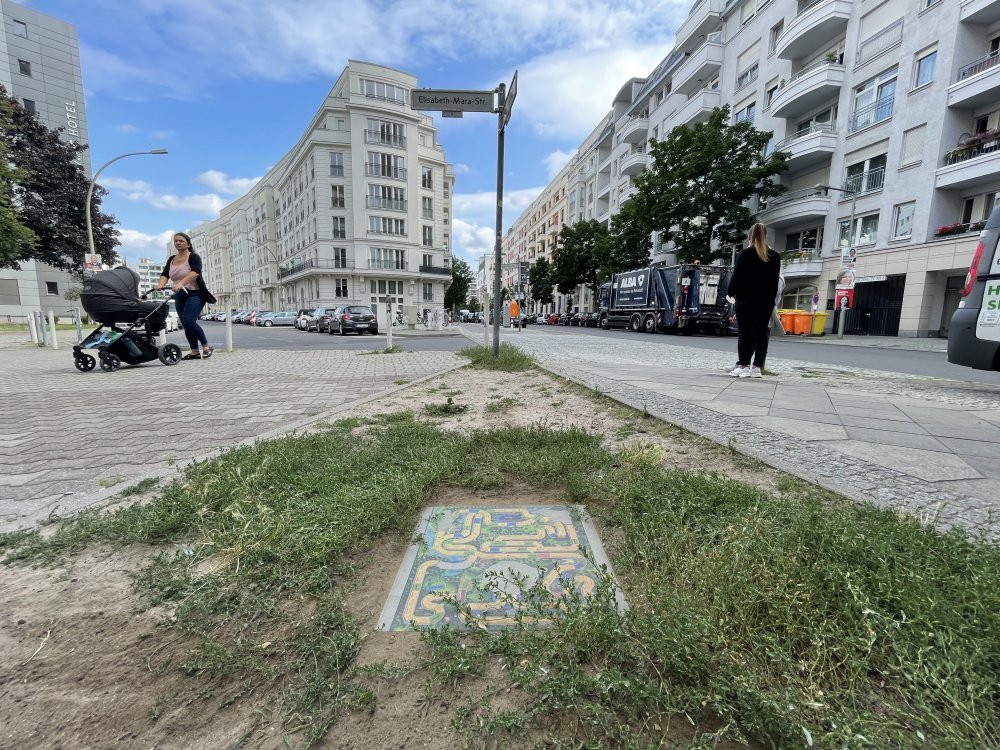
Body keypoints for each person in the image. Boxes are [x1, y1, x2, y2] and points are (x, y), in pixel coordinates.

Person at [726, 222, 781, 378]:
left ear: (750, 236)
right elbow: (774, 282)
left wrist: (731, 293)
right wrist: (771, 298)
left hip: (746, 300)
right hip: (766, 301)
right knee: (761, 333)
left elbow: (736, 278)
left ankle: (743, 366)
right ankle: (756, 368)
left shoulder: (745, 254)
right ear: (765, 236)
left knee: (745, 333)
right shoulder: (775, 256)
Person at [155, 232, 216, 360]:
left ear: (188, 244)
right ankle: (194, 351)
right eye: (176, 241)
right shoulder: (171, 259)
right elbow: (165, 274)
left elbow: (195, 273)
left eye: (181, 241)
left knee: (189, 321)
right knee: (185, 324)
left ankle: (206, 346)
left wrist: (180, 283)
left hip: (195, 294)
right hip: (180, 295)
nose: (178, 243)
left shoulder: (194, 257)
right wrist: (160, 285)